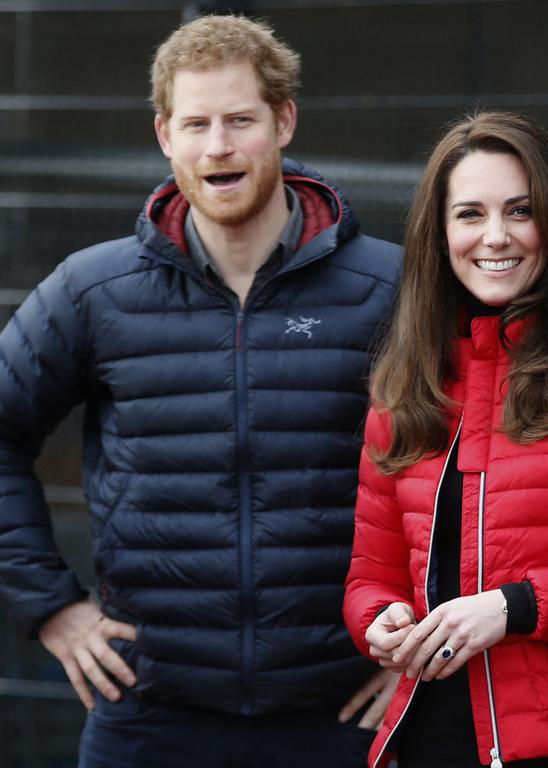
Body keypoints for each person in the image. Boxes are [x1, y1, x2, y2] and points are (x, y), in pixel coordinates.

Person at [0, 14, 401, 768]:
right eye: (196, 124)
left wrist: (421, 641)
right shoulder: (95, 290)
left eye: (240, 120)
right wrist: (52, 610)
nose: (217, 146)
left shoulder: (388, 286)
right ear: (165, 136)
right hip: (149, 717)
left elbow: (481, 466)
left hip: (341, 712)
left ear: (283, 122)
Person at [342, 110, 548, 768]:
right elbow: (370, 575)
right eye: (470, 214)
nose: (495, 237)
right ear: (439, 235)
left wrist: (516, 607)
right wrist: (379, 620)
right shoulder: (404, 386)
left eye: (519, 211)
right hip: (424, 740)